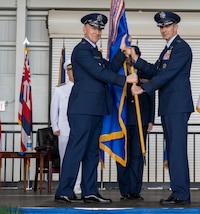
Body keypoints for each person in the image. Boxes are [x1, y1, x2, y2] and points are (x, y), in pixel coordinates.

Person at [54, 13, 137, 203]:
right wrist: (126, 80)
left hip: (96, 108)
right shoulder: (81, 50)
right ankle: (64, 190)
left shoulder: (94, 52)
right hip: (82, 109)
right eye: (93, 28)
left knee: (92, 151)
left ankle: (89, 191)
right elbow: (99, 73)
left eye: (99, 29)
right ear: (84, 29)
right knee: (76, 149)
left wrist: (122, 52)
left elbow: (108, 68)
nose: (97, 32)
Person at [131, 11, 194, 205]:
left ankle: (181, 194)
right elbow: (156, 71)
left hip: (177, 105)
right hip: (169, 106)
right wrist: (135, 59)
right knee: (174, 150)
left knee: (176, 150)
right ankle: (179, 192)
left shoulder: (181, 48)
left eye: (167, 26)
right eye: (161, 27)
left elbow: (167, 75)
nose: (164, 29)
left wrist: (144, 88)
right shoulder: (168, 49)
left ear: (176, 27)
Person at [117, 46, 155, 201]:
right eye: (128, 55)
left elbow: (151, 97)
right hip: (124, 120)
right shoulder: (120, 74)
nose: (131, 58)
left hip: (141, 120)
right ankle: (124, 190)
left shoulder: (146, 73)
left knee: (137, 156)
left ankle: (135, 190)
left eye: (134, 56)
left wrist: (151, 119)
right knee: (123, 155)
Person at [50, 60, 82, 195]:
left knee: (79, 158)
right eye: (70, 70)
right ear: (67, 72)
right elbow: (54, 109)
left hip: (80, 129)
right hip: (64, 129)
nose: (73, 73)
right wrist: (55, 126)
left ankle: (77, 185)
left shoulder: (83, 87)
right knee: (65, 158)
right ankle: (66, 185)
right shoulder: (60, 89)